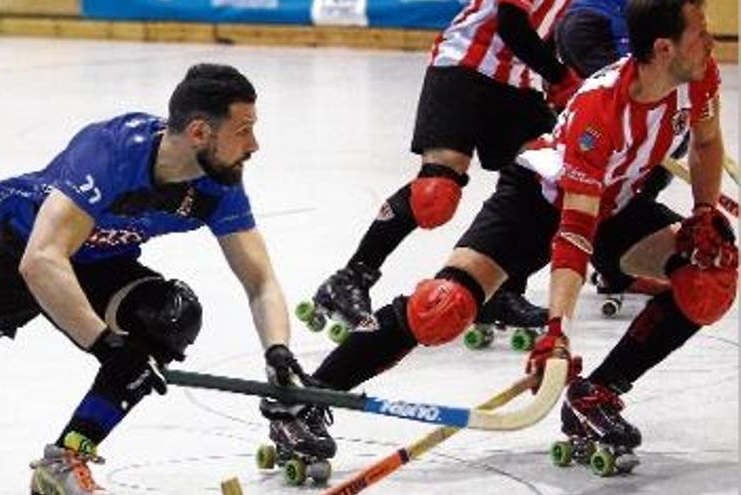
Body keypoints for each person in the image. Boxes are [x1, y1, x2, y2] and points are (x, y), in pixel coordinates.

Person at [295, 0, 736, 467]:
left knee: (709, 277)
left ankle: (595, 397)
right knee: (442, 307)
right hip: (537, 201)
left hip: (617, 203)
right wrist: (557, 334)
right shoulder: (600, 109)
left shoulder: (698, 74)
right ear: (664, 48)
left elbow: (706, 142)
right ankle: (306, 397)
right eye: (700, 33)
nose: (711, 41)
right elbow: (574, 236)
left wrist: (704, 211)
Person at [0, 64, 325, 495]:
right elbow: (41, 261)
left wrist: (277, 353)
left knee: (170, 317)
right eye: (244, 130)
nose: (254, 145)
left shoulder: (218, 184)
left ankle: (65, 461)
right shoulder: (112, 149)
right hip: (18, 250)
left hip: (101, 265)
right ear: (200, 132)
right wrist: (107, 346)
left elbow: (259, 279)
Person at [304, 0, 583, 337]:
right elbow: (511, 22)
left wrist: (558, 79)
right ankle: (350, 278)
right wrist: (561, 77)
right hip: (464, 63)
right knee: (435, 194)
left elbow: (550, 26)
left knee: (542, 185)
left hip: (519, 80)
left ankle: (499, 290)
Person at [555, 0, 679, 298]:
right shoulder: (588, 20)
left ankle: (614, 267)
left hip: (622, 140)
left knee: (653, 166)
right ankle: (507, 283)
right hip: (586, 139)